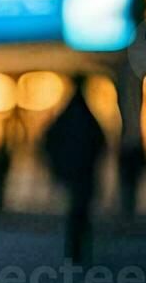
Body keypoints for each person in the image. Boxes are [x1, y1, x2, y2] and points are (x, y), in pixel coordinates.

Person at [43, 77, 106, 265]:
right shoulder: (87, 118)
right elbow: (100, 143)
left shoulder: (67, 117)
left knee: (76, 212)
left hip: (74, 173)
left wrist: (58, 167)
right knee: (81, 213)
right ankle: (79, 251)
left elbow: (49, 141)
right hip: (83, 174)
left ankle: (74, 251)